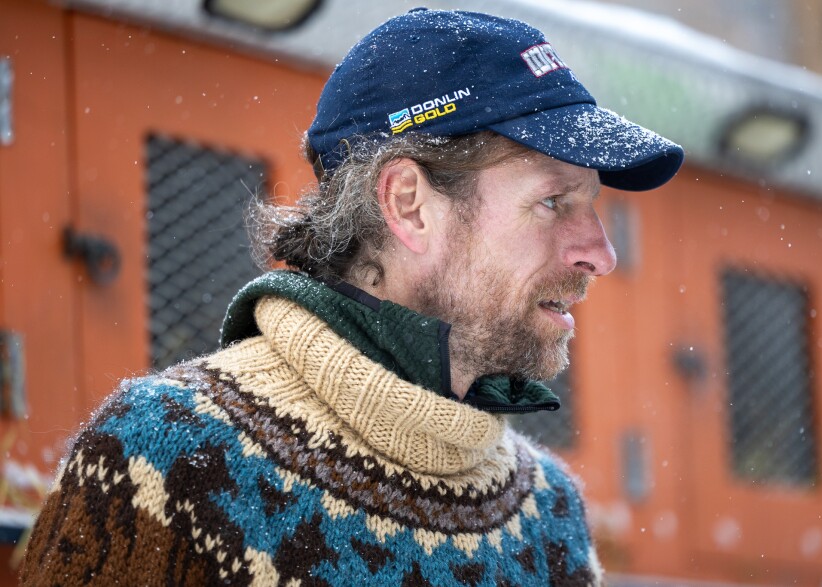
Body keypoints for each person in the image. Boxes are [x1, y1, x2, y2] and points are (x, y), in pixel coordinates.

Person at [21, 8, 682, 586]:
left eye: (590, 204)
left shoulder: (547, 512)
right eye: (553, 201)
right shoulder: (164, 459)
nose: (600, 252)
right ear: (408, 204)